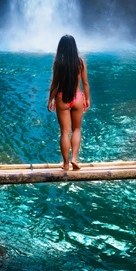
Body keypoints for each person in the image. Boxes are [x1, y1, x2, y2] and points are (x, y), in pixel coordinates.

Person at [47, 34, 90, 171]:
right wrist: (87, 99)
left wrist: (50, 100)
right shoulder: (80, 62)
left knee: (64, 132)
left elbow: (55, 84)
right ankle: (74, 159)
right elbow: (85, 83)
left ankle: (65, 164)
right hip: (77, 97)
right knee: (76, 129)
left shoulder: (58, 63)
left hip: (62, 98)